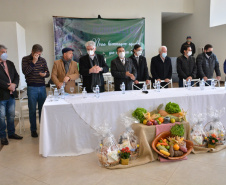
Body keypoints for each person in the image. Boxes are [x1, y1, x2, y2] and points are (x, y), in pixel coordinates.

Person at [22, 44, 50, 138]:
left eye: (40, 54)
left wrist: (44, 74)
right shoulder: (25, 59)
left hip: (42, 87)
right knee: (32, 110)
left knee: (43, 110)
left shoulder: (43, 60)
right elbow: (25, 72)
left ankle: (43, 128)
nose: (38, 56)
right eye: (37, 54)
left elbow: (48, 73)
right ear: (32, 51)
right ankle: (33, 130)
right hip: (31, 88)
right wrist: (33, 62)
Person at [0, 45, 23, 145]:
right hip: (2, 95)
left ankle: (11, 133)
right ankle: (2, 136)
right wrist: (7, 86)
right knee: (1, 117)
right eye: (2, 52)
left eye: (5, 51)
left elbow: (16, 76)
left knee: (11, 115)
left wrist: (14, 84)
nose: (5, 53)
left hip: (11, 94)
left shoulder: (10, 63)